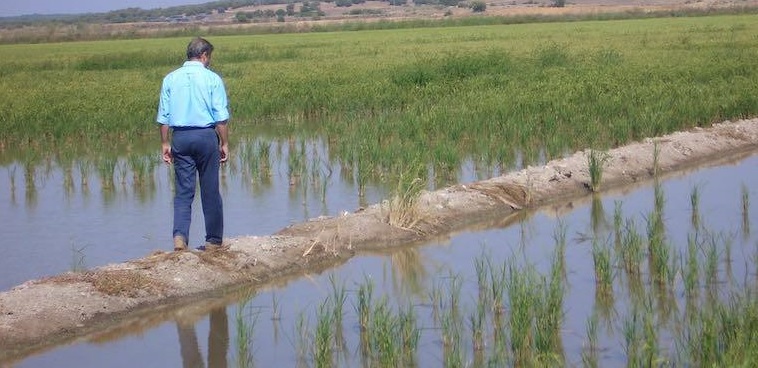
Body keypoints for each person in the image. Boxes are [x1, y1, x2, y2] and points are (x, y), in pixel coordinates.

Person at [157, 37, 230, 251]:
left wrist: (164, 143)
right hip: (206, 136)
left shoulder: (170, 79)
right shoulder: (212, 79)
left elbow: (164, 117)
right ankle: (214, 241)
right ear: (204, 55)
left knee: (183, 192)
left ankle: (180, 238)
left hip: (180, 137)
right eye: (209, 57)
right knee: (210, 190)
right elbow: (221, 117)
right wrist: (224, 143)